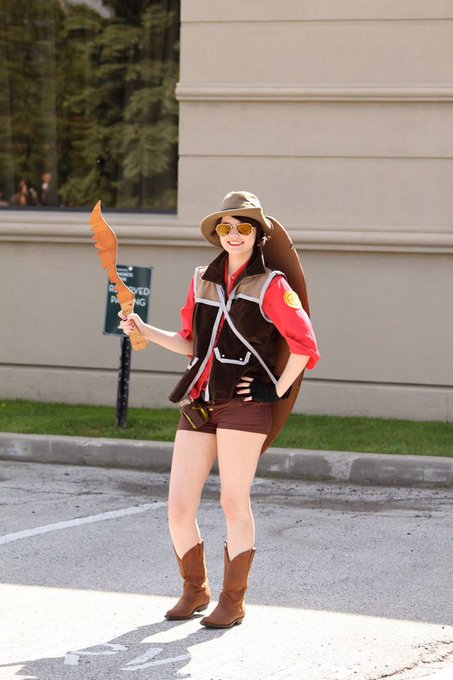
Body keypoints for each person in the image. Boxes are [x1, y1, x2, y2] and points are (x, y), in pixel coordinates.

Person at [119, 191, 320, 629]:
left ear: (258, 234)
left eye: (243, 227)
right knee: (178, 507)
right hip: (199, 402)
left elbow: (305, 346)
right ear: (217, 234)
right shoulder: (201, 281)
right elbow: (191, 343)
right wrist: (144, 329)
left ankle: (233, 600)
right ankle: (195, 589)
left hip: (244, 406)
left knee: (233, 501)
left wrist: (275, 389)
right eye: (226, 227)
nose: (234, 234)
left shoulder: (272, 285)